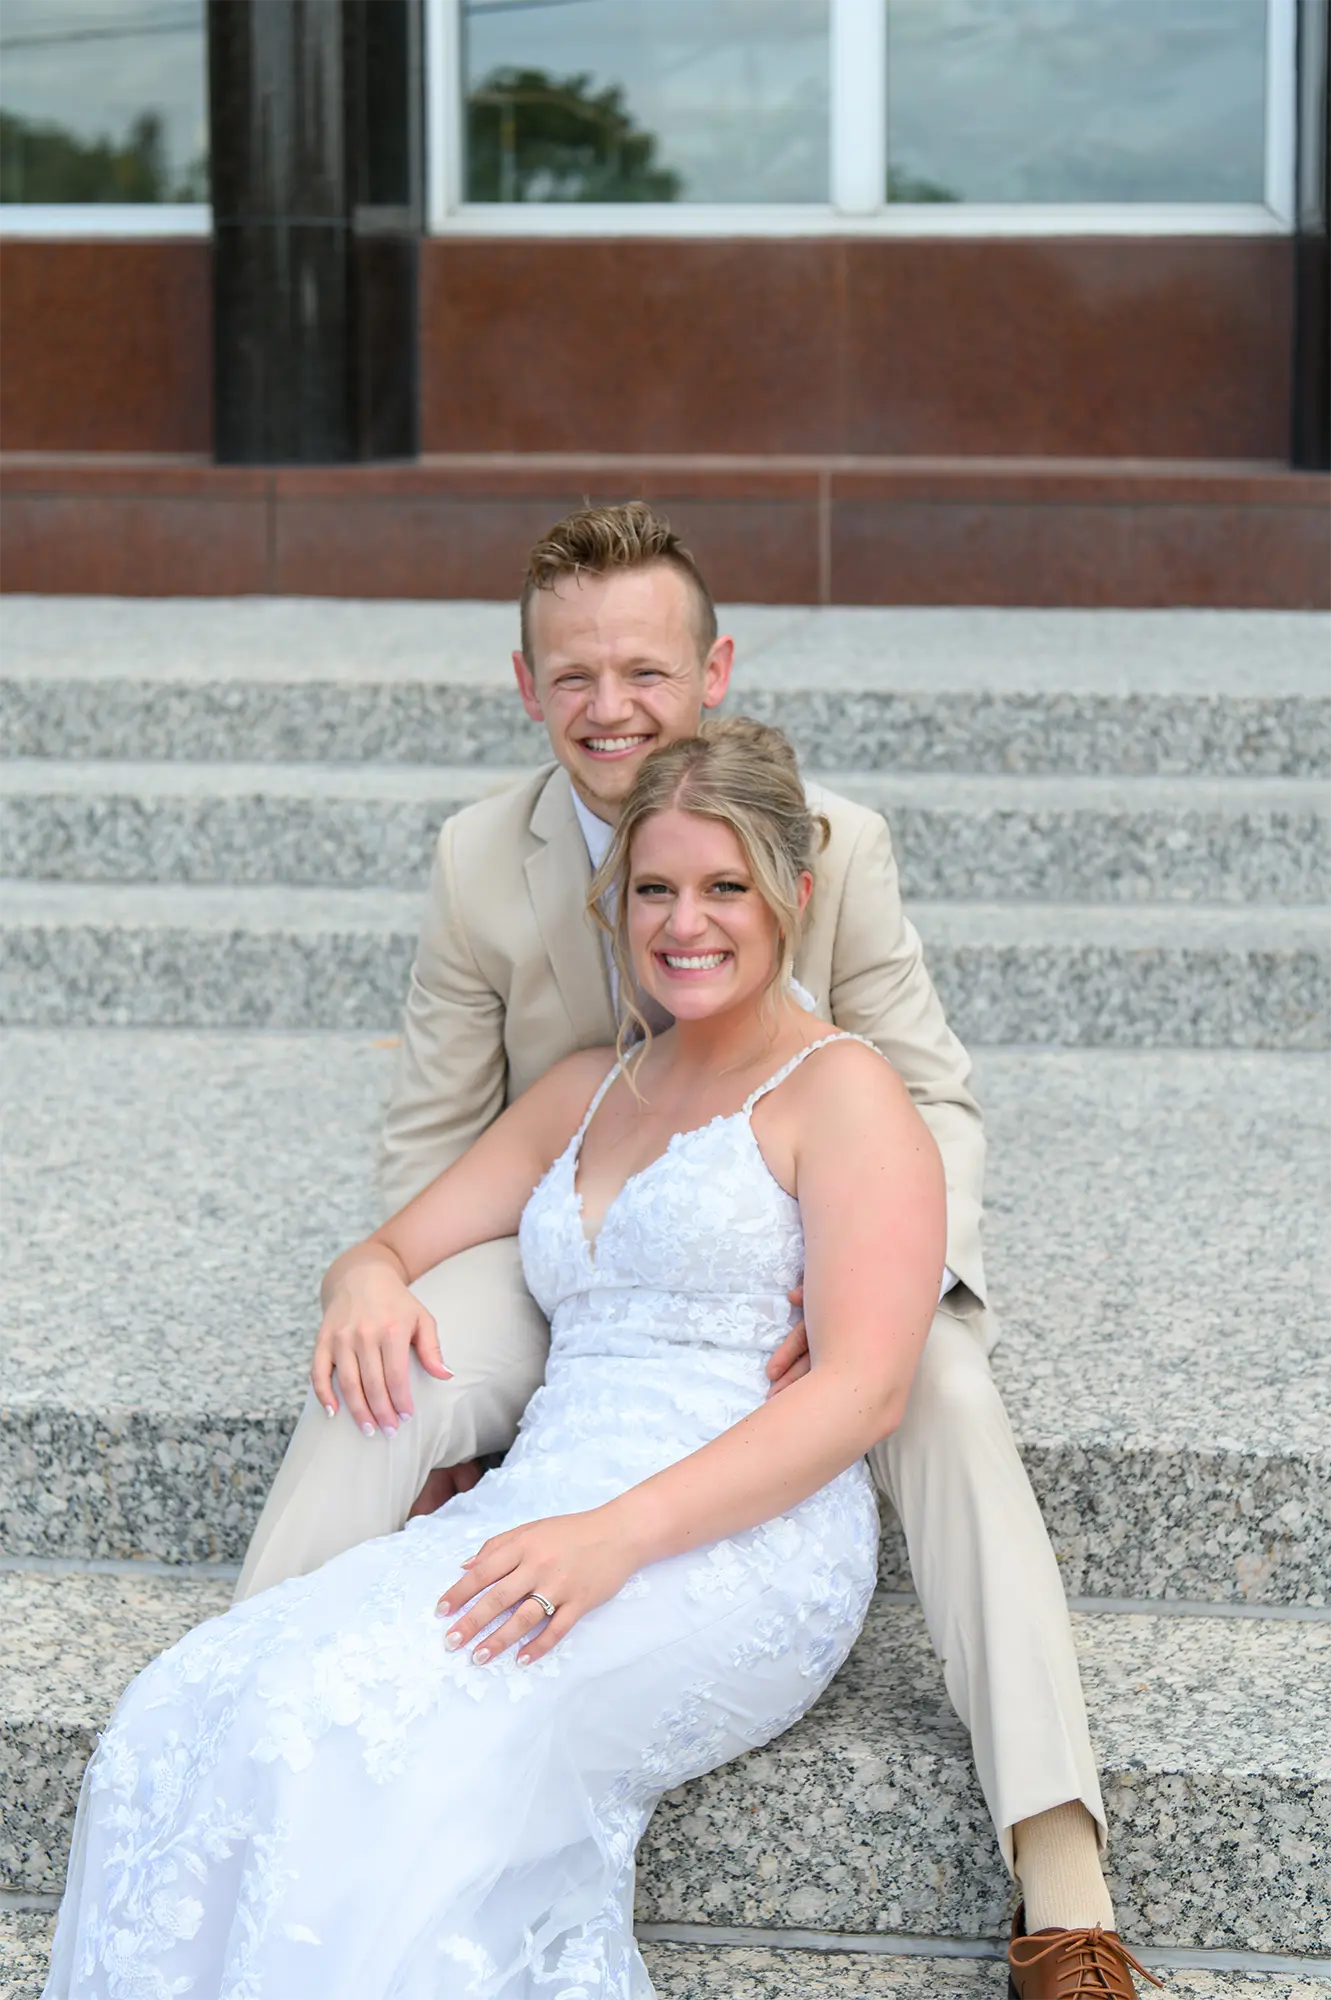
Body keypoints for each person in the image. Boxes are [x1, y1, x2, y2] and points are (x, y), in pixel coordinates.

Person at [234, 504, 1151, 1999]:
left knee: (942, 1388)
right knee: (384, 1371)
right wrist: (376, 1274)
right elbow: (434, 1132)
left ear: (711, 671)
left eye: (644, 670)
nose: (612, 706)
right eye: (575, 674)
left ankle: (1059, 1876)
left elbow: (923, 1087)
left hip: (801, 1241)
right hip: (569, 1239)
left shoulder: (829, 840)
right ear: (524, 686)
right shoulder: (479, 858)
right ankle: (257, 1701)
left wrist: (877, 1279)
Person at [45, 719, 945, 1999]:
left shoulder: (841, 1091)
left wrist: (618, 1534)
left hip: (731, 1537)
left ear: (793, 892)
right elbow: (388, 1245)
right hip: (539, 1504)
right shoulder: (588, 1086)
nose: (684, 922)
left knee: (374, 1740)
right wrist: (359, 1278)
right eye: (653, 888)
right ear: (615, 901)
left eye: (723, 885)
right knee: (190, 1700)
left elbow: (866, 1387)